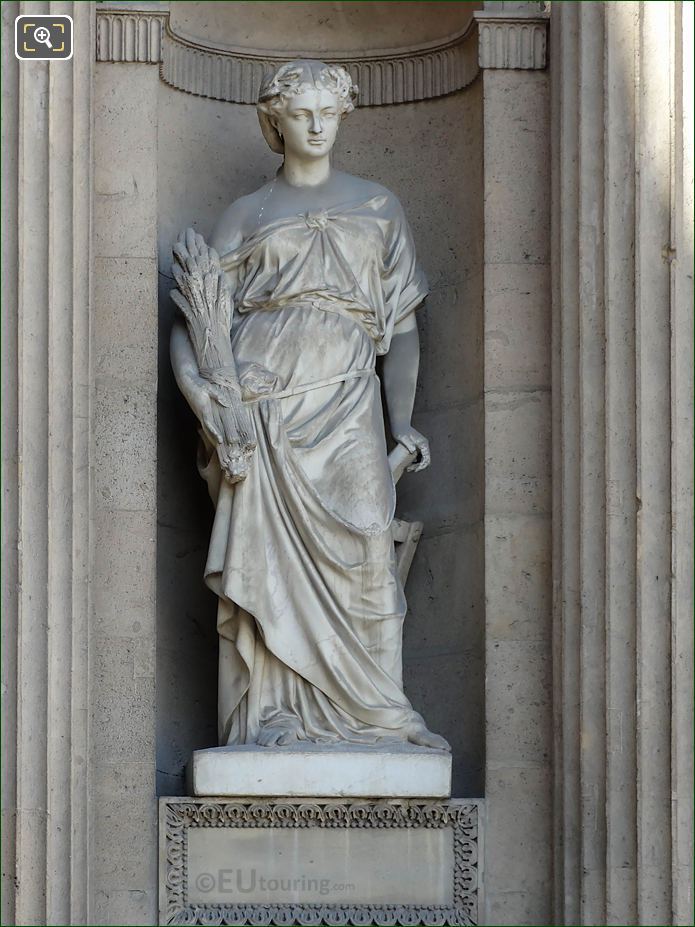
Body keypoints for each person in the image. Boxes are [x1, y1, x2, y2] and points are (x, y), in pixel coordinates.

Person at [170, 59, 449, 751]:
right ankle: (271, 718)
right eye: (301, 112)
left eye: (329, 110)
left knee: (364, 546)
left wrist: (401, 422)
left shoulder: (379, 206)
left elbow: (403, 329)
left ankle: (379, 716)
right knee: (265, 564)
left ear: (344, 115)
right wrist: (202, 393)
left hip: (348, 405)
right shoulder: (246, 214)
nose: (318, 124)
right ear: (274, 120)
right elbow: (195, 318)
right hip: (262, 411)